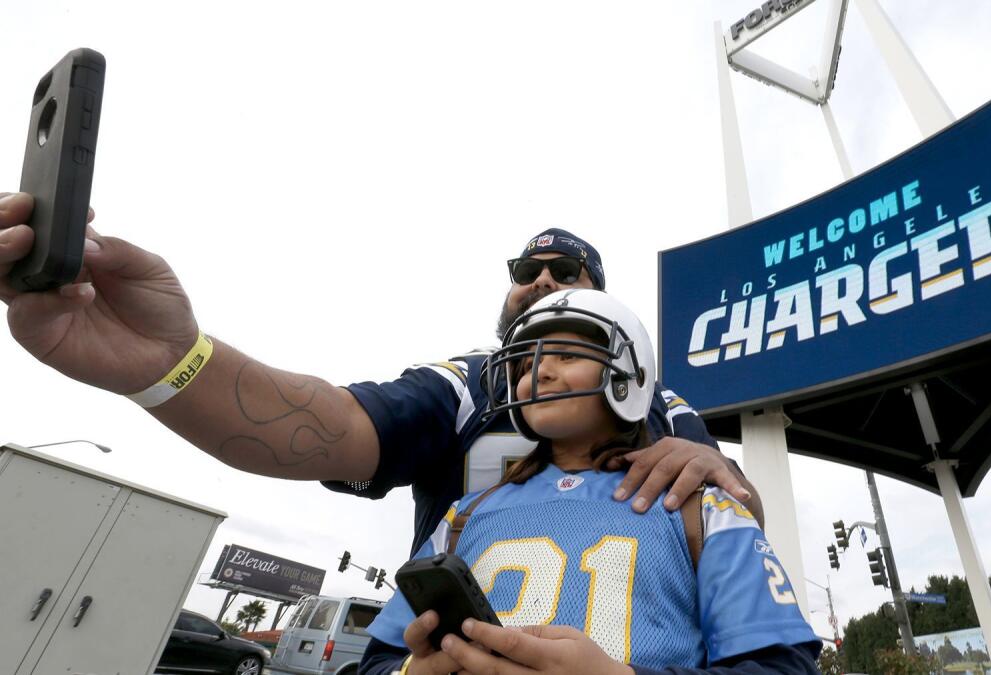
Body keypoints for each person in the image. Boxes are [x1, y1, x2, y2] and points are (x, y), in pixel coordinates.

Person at [0, 192, 759, 551]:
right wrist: (171, 362)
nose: (540, 278)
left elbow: (742, 522)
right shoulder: (469, 383)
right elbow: (333, 426)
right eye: (526, 267)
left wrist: (717, 470)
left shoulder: (666, 402)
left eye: (567, 270)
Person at [360, 289, 821, 675]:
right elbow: (378, 659)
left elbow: (783, 665)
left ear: (630, 373)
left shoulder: (697, 506)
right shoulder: (467, 513)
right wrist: (412, 670)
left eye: (565, 354)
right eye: (523, 366)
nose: (538, 371)